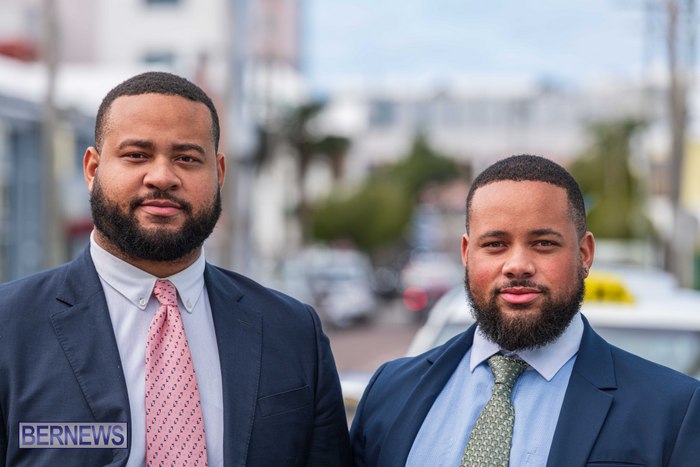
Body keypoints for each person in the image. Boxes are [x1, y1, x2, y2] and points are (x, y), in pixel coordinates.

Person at [0, 71, 351, 466]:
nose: (163, 177)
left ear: (219, 174)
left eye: (187, 158)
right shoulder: (9, 326)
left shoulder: (293, 333)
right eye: (137, 155)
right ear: (92, 169)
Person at [350, 155, 700, 466]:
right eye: (495, 244)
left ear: (584, 254)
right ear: (467, 254)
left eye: (543, 243)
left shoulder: (672, 409)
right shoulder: (390, 390)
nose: (517, 265)